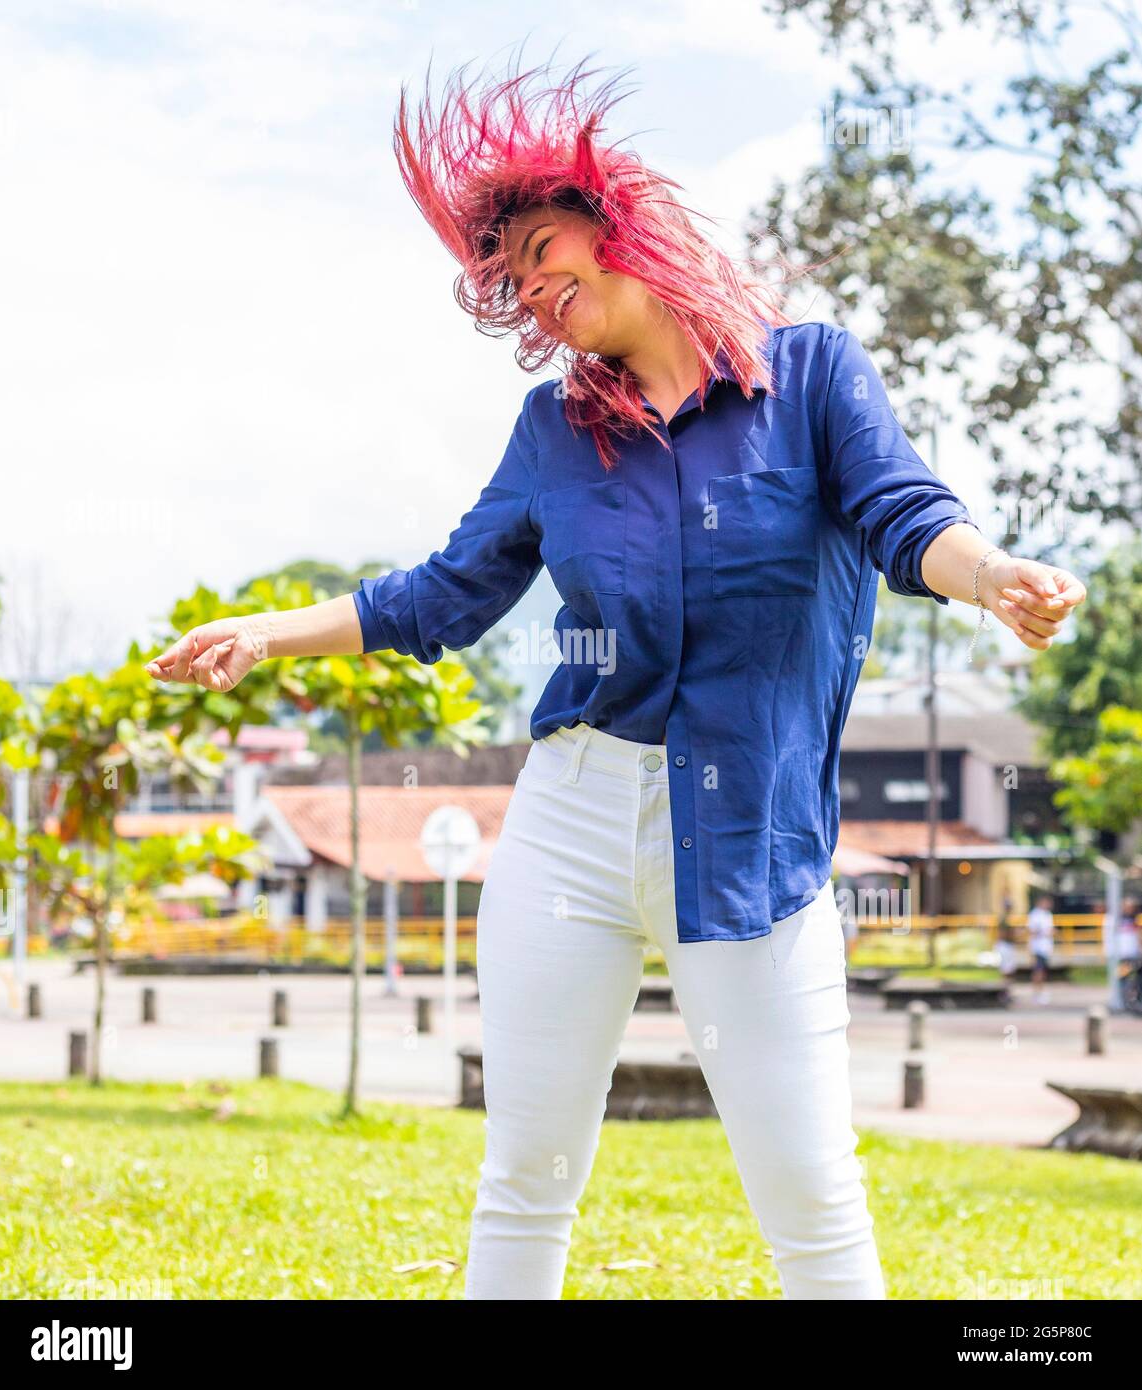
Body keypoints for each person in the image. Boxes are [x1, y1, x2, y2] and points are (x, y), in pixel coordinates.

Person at [145, 53, 1088, 1301]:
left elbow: (903, 514)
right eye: (510, 279)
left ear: (616, 221)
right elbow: (441, 593)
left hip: (749, 831)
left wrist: (992, 574)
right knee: (526, 1170)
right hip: (574, 818)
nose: (533, 289)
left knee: (809, 1192)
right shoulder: (554, 431)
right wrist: (268, 633)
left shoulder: (805, 378)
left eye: (542, 248)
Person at [1026, 893, 1055, 1003]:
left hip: (1046, 947)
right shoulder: (1035, 915)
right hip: (1038, 947)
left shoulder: (1047, 915)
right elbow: (1031, 931)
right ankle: (1037, 993)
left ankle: (1041, 991)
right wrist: (1043, 932)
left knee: (1043, 971)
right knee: (1038, 971)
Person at [995, 894, 1018, 981]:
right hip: (1005, 945)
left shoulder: (1008, 918)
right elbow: (1003, 934)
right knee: (1006, 969)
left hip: (1007, 945)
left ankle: (1005, 989)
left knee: (1009, 969)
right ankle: (1004, 990)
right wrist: (1015, 934)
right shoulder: (1005, 919)